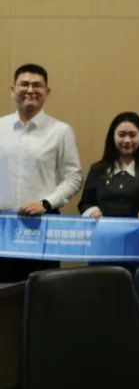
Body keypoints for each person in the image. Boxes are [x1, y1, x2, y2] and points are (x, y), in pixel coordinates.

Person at [0, 63, 82, 279]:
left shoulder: (61, 131)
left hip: (42, 226)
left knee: (41, 291)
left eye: (37, 85)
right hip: (3, 228)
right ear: (13, 90)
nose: (30, 90)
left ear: (47, 91)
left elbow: (74, 177)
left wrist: (45, 203)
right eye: (24, 84)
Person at [79, 112, 139, 220]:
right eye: (121, 135)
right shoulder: (97, 169)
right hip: (104, 229)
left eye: (132, 135)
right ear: (112, 136)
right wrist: (93, 212)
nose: (127, 140)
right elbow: (85, 204)